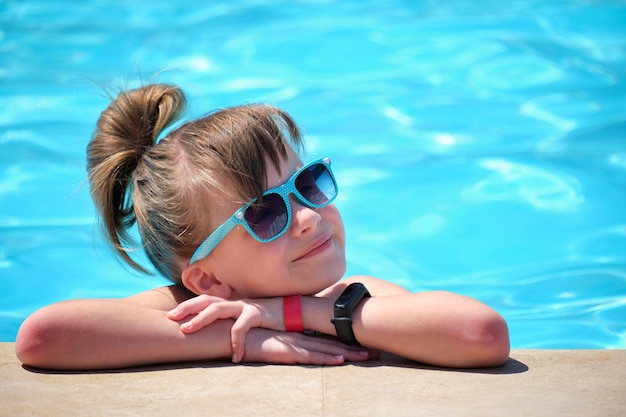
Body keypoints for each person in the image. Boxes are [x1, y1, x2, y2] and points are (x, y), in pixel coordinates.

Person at [15, 83, 510, 371]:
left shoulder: (340, 296)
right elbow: (44, 336)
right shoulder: (187, 308)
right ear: (207, 279)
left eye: (309, 183)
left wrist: (294, 312)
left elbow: (479, 333)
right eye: (266, 213)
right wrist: (243, 338)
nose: (310, 217)